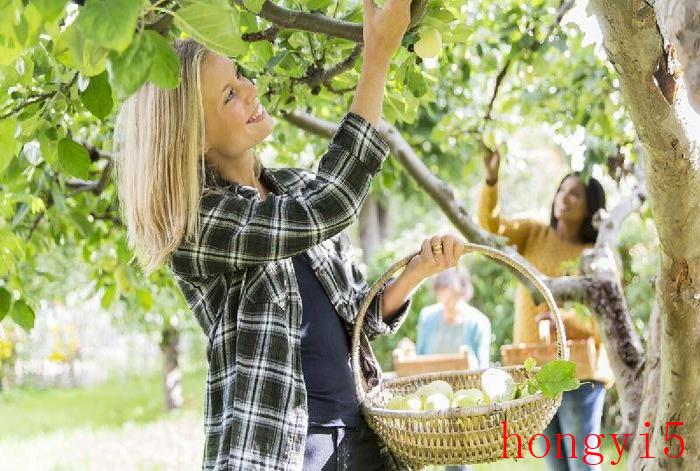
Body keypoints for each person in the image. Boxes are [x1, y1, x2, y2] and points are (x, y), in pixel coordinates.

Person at [113, 1, 467, 469]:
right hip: (282, 452)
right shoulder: (198, 228)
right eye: (228, 96)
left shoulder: (297, 189)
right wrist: (377, 55)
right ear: (194, 137)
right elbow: (334, 203)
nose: (251, 89)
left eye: (240, 76)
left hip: (359, 440)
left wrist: (417, 270)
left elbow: (359, 319)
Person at [478, 148, 614, 471]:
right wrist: (492, 179)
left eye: (575, 194)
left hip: (579, 374)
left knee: (582, 465)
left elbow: (604, 323)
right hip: (536, 372)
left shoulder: (594, 255)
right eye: (562, 190)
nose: (564, 198)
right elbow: (488, 227)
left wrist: (561, 319)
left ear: (590, 207)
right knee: (555, 466)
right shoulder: (533, 234)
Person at [416, 268, 491, 369]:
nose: (447, 304)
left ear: (463, 294)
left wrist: (470, 362)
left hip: (466, 383)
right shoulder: (427, 317)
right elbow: (419, 358)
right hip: (431, 383)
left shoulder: (479, 322)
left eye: (451, 299)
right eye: (442, 298)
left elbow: (483, 367)